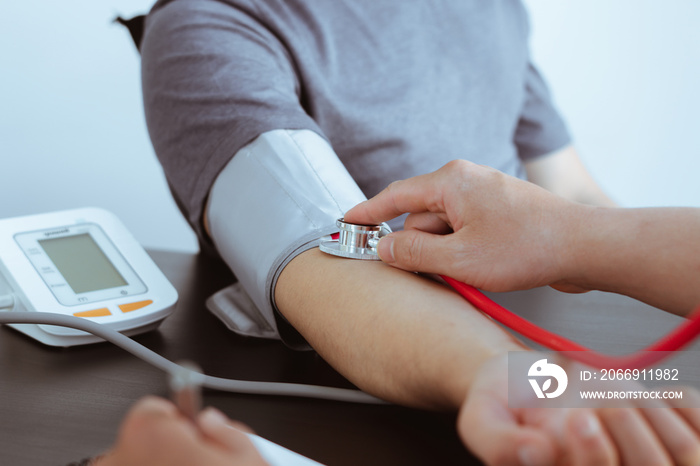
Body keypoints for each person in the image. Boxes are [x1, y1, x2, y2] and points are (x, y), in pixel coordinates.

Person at [133, 0, 691, 464]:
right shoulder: (206, 26)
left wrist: (576, 238)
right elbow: (322, 259)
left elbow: (575, 195)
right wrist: (524, 378)